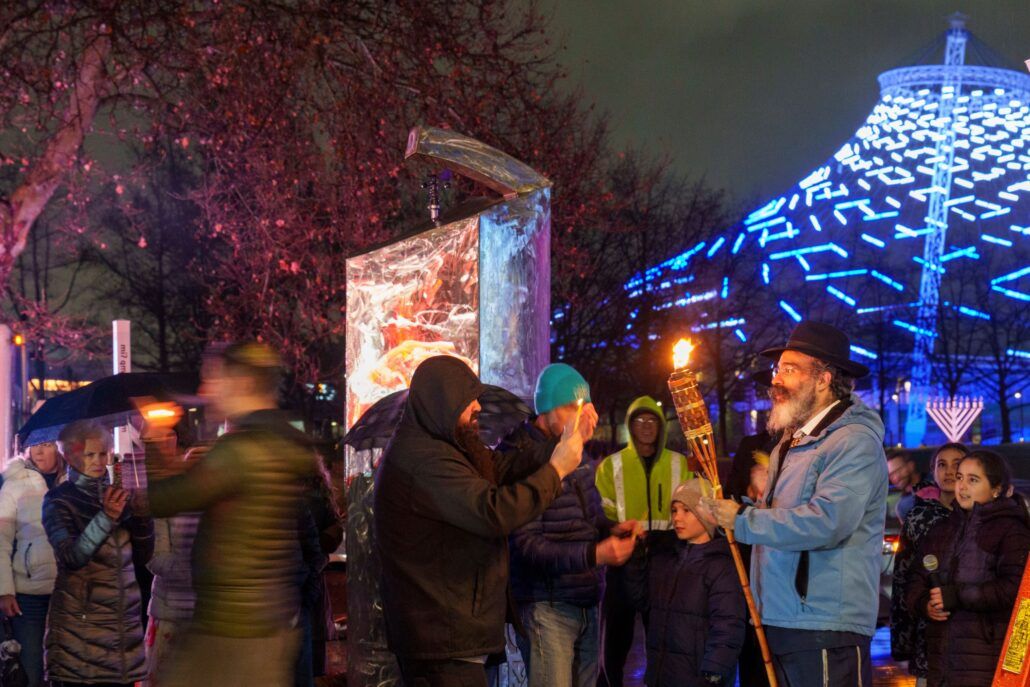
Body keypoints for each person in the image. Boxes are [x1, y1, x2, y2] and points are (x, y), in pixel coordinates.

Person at [374, 355, 586, 687]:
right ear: (441, 402)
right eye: (468, 399)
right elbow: (494, 512)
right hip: (441, 639)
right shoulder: (424, 462)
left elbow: (499, 468)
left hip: (451, 634)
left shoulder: (442, 447)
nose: (477, 407)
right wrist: (556, 470)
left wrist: (559, 446)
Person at [704, 321, 888, 687]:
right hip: (783, 617)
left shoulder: (852, 442)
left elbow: (827, 521)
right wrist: (728, 508)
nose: (777, 380)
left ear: (824, 379)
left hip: (824, 623)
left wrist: (743, 519)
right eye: (777, 370)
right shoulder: (794, 442)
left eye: (790, 370)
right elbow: (781, 517)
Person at [139, 341, 319, 687]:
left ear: (243, 384)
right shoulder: (282, 442)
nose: (206, 390)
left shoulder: (240, 451)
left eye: (214, 379)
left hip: (228, 630)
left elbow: (163, 500)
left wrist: (153, 438)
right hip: (267, 621)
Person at [506, 363, 637, 687]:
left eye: (584, 408)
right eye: (571, 408)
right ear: (546, 408)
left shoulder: (576, 453)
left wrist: (612, 530)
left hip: (586, 600)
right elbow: (527, 546)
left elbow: (586, 518)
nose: (580, 419)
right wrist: (596, 555)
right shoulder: (522, 458)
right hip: (547, 607)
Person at [906, 450, 1030, 687]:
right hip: (942, 660)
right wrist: (925, 604)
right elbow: (916, 579)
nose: (962, 486)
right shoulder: (941, 529)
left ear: (996, 488)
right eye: (961, 477)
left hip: (986, 658)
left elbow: (1014, 589)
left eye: (973, 480)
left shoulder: (1011, 531)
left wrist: (957, 595)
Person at [43, 421, 153, 687]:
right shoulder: (59, 500)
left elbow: (143, 557)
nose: (97, 461)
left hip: (123, 624)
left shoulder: (118, 494)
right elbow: (71, 557)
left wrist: (141, 518)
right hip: (81, 626)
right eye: (89, 454)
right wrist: (106, 518)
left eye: (102, 453)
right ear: (71, 456)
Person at [594, 396, 692, 687]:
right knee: (615, 641)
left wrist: (667, 540)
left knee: (661, 640)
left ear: (661, 426)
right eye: (640, 420)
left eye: (652, 421)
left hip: (664, 562)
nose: (646, 426)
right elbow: (600, 516)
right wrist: (618, 531)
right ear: (630, 426)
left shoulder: (678, 464)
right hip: (623, 563)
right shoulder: (610, 467)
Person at [625, 477, 746, 686]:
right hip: (662, 675)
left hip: (697, 678)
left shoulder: (721, 565)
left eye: (686, 510)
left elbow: (728, 625)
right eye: (674, 510)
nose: (677, 518)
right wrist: (636, 559)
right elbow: (643, 602)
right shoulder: (666, 558)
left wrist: (713, 673)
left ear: (707, 515)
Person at [890, 442, 968, 686]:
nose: (948, 471)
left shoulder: (981, 515)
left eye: (957, 464)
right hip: (930, 633)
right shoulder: (918, 517)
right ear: (933, 471)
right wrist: (903, 642)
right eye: (941, 465)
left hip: (973, 632)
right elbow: (905, 578)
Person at [0, 439, 66, 687]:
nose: (39, 450)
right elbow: (1, 540)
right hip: (29, 595)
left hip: (68, 592)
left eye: (47, 444)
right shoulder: (15, 483)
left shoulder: (72, 482)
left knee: (65, 671)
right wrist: (5, 590)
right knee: (31, 671)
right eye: (34, 445)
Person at [143, 424, 203, 687]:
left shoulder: (221, 509)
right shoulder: (167, 504)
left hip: (207, 616)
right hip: (171, 611)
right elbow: (156, 557)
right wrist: (195, 569)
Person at [888, 449, 933, 523]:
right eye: (891, 475)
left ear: (911, 466)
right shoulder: (902, 507)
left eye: (898, 470)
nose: (896, 478)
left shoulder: (936, 481)